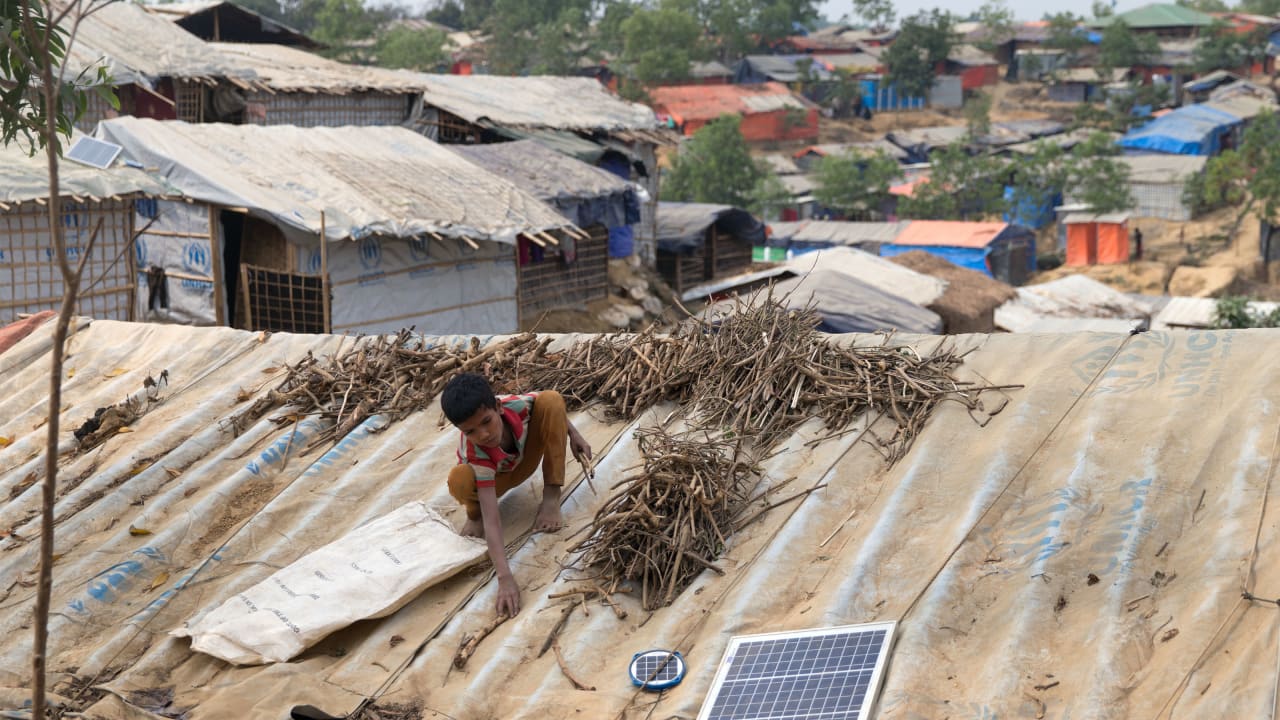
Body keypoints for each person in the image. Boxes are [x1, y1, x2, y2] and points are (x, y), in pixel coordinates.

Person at [441, 373, 592, 616]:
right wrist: (505, 578)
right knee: (459, 477)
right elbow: (494, 520)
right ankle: (473, 512)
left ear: (498, 407)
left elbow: (553, 406)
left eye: (487, 422)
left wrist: (574, 434)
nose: (483, 435)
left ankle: (551, 496)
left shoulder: (516, 405)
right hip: (493, 480)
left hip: (525, 459)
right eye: (470, 431)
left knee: (551, 399)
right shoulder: (475, 451)